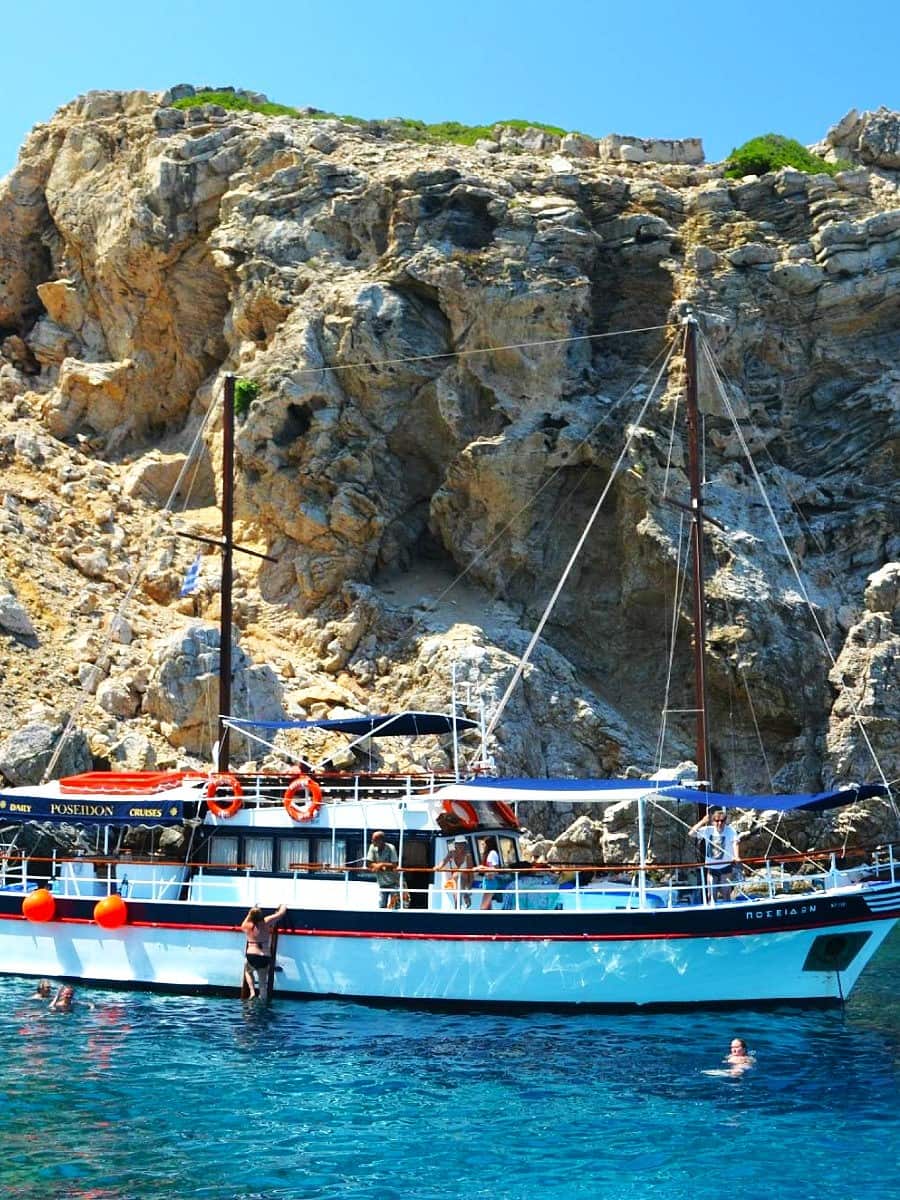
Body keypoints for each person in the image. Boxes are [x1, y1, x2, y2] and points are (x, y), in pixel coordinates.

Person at [688, 808, 742, 902]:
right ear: (713, 821)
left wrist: (736, 856)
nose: (719, 823)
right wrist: (702, 821)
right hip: (711, 867)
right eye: (717, 821)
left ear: (725, 821)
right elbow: (691, 833)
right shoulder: (708, 830)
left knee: (726, 894)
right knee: (711, 896)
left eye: (722, 821)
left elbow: (735, 842)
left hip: (725, 866)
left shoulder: (730, 831)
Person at [241, 903, 287, 1001]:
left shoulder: (246, 925)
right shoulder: (266, 922)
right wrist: (283, 905)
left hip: (251, 955)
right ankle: (263, 1002)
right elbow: (281, 914)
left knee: (248, 971)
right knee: (262, 983)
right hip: (264, 956)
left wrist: (251, 912)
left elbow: (248, 918)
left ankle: (252, 991)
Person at [437, 836, 475, 907]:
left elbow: (471, 872)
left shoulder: (467, 856)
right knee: (456, 880)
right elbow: (444, 862)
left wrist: (469, 886)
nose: (460, 845)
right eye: (458, 844)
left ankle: (458, 904)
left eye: (462, 844)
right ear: (455, 845)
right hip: (455, 880)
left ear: (465, 845)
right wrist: (438, 867)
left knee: (458, 876)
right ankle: (460, 902)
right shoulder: (451, 853)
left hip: (465, 879)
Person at [366, 830, 400, 909]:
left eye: (374, 840)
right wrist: (377, 866)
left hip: (394, 882)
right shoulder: (372, 847)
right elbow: (369, 863)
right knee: (381, 906)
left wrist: (381, 864)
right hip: (381, 882)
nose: (371, 841)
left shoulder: (391, 848)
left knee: (395, 907)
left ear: (381, 841)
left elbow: (394, 864)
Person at [479, 837, 503, 910]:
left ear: (488, 844)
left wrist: (481, 868)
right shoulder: (490, 853)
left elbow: (495, 869)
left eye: (484, 844)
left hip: (491, 882)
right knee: (488, 907)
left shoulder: (492, 853)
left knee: (483, 907)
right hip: (488, 881)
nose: (483, 846)